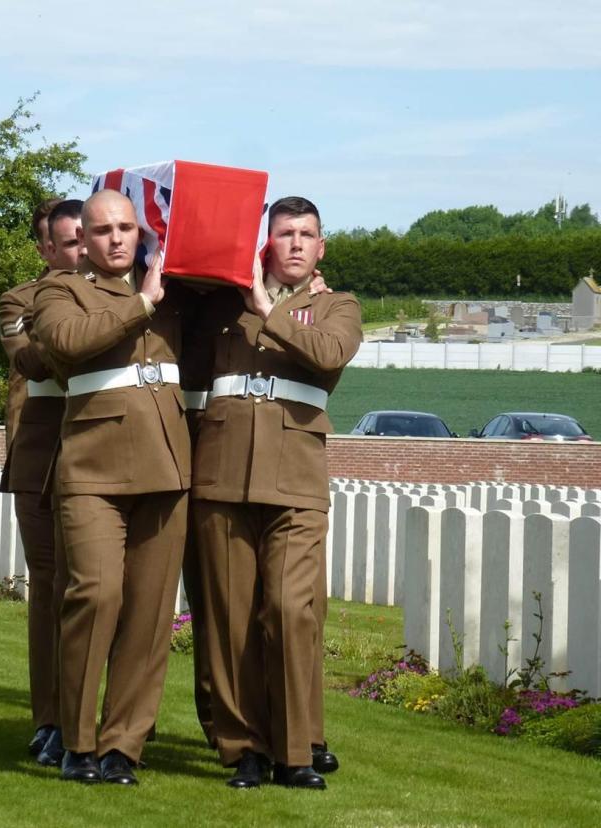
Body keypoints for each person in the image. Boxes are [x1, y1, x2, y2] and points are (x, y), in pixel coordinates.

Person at [190, 196, 362, 789]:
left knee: (290, 611)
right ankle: (246, 751)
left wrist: (266, 309)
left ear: (321, 247)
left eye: (305, 234)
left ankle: (296, 750)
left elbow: (329, 356)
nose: (294, 242)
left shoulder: (339, 307)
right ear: (264, 242)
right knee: (230, 620)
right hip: (223, 474)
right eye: (283, 232)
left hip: (295, 482)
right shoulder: (220, 308)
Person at [32, 189, 192, 785]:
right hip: (93, 471)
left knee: (150, 617)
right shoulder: (60, 291)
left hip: (167, 467)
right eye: (102, 231)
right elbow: (68, 344)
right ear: (85, 238)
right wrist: (142, 305)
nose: (117, 239)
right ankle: (76, 740)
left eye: (127, 227)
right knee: (94, 597)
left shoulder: (170, 287)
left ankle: (123, 745)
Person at [0, 198, 84, 762]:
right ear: (46, 249)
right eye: (72, 241)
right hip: (42, 460)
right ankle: (51, 719)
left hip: (108, 458)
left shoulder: (124, 296)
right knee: (51, 592)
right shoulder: (20, 301)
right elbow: (39, 358)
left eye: (88, 237)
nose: (83, 249)